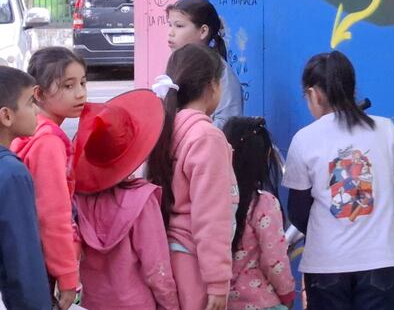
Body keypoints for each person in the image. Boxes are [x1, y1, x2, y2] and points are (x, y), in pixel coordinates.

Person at [282, 51, 394, 310]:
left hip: (327, 263)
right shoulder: (386, 129)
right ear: (352, 89)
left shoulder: (305, 139)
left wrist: (329, 230)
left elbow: (297, 213)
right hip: (380, 261)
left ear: (314, 94)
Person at [146, 44, 239, 310]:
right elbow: (211, 218)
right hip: (196, 264)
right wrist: (218, 282)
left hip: (171, 256)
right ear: (213, 85)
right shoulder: (206, 137)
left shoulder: (167, 127)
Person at [73, 90, 179, 309]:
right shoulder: (142, 200)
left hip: (93, 303)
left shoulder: (77, 199)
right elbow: (156, 267)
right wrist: (171, 304)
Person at [11, 47, 86, 310]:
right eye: (68, 85)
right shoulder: (50, 142)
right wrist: (67, 275)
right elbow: (53, 215)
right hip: (43, 261)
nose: (80, 93)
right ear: (39, 94)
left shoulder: (27, 131)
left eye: (83, 82)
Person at [223, 117, 295, 309]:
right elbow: (274, 260)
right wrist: (287, 293)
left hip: (220, 301)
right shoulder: (263, 204)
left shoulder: (212, 203)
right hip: (261, 301)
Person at [0, 67, 50, 309]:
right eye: (31, 102)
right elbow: (22, 259)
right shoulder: (12, 173)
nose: (37, 111)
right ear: (6, 116)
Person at [166, 0, 243, 128]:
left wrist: (190, 132)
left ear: (203, 31)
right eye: (170, 25)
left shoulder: (219, 72)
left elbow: (228, 122)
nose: (170, 33)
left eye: (179, 26)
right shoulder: (177, 64)